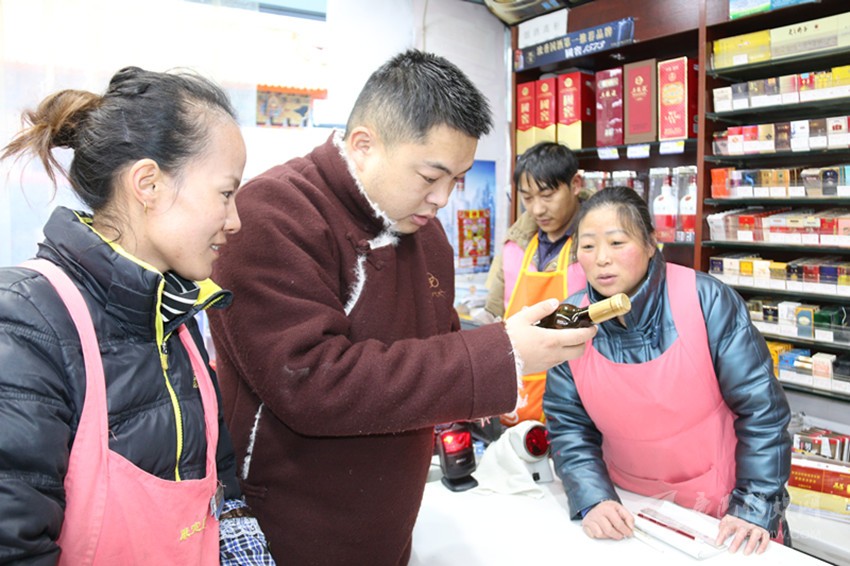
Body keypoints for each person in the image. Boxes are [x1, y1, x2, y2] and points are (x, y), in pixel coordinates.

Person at [207, 49, 597, 565]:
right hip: (293, 526)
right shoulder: (273, 214)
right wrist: (501, 355)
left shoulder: (427, 236)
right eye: (430, 176)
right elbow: (311, 380)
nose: (443, 199)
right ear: (364, 145)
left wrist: (506, 357)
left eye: (456, 179)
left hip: (391, 521)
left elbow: (440, 347)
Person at [0, 66, 274, 564]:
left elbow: (220, 483)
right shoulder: (25, 323)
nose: (235, 221)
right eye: (225, 193)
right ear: (148, 183)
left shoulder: (176, 317)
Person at [543, 186, 792, 556]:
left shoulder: (707, 300)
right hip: (629, 512)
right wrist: (593, 497)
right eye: (588, 246)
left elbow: (763, 410)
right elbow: (567, 424)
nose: (601, 259)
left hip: (726, 515)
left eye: (616, 242)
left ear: (650, 243)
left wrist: (755, 506)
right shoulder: (570, 321)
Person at [478, 141, 586, 425]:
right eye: (527, 198)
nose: (537, 209)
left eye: (547, 195)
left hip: (579, 391)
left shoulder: (595, 242)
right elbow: (493, 313)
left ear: (575, 184)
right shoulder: (515, 243)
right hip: (520, 387)